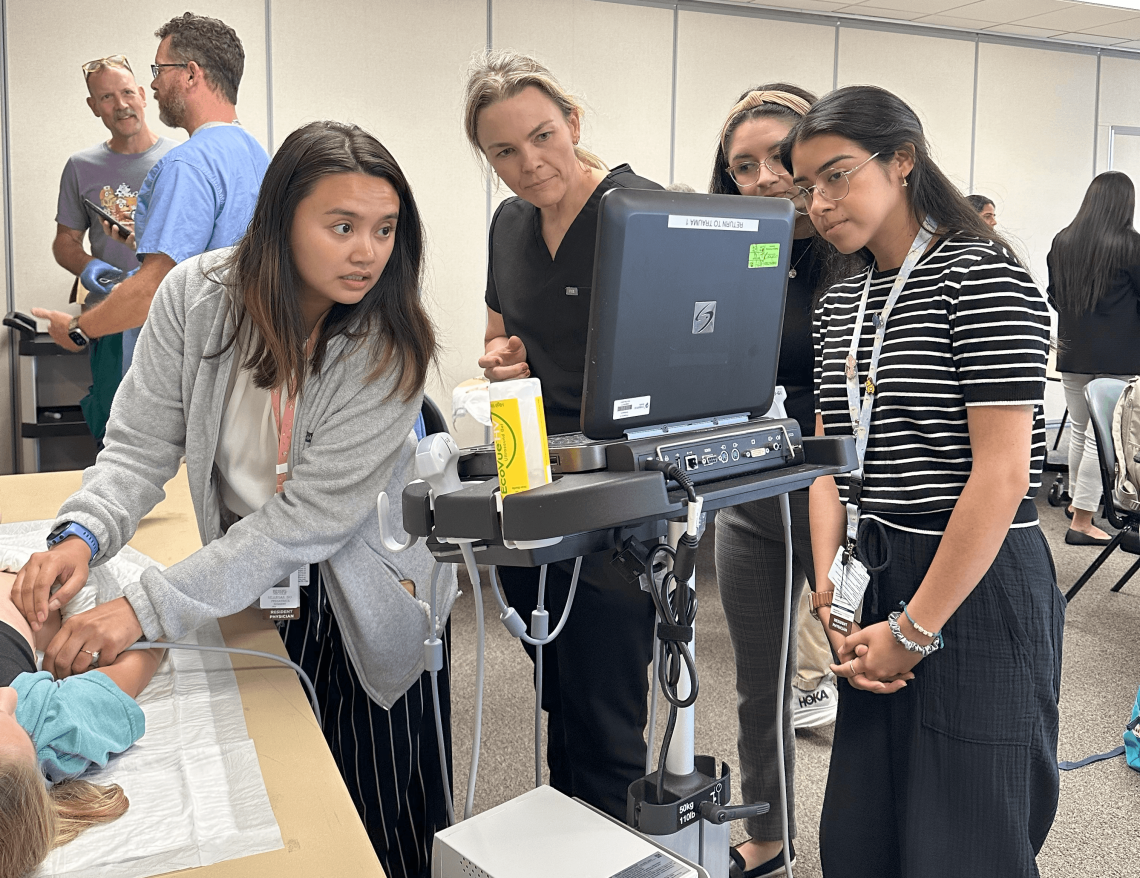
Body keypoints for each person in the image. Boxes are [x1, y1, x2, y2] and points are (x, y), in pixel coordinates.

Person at [11, 121, 451, 878]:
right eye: (342, 226)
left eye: (384, 229)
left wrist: (143, 609)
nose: (367, 252)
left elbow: (305, 522)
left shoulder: (388, 344)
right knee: (284, 791)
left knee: (370, 817)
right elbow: (140, 445)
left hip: (355, 590)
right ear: (281, 220)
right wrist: (80, 535)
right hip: (243, 573)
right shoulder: (196, 296)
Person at [783, 85, 1062, 876]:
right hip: (872, 569)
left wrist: (914, 631)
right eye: (806, 187)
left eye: (837, 175)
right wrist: (829, 596)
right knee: (866, 837)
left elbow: (1003, 474)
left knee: (968, 839)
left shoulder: (981, 276)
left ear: (901, 160)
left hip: (974, 575)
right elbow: (830, 463)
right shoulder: (840, 304)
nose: (820, 203)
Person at [463, 50, 659, 819]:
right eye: (504, 152)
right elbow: (500, 333)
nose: (529, 163)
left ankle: (614, 843)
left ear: (573, 123)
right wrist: (500, 358)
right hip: (532, 477)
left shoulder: (636, 213)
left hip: (617, 492)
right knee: (558, 691)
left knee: (606, 711)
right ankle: (571, 834)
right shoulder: (509, 224)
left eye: (542, 136)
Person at [707, 83, 862, 878]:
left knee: (863, 675)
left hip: (847, 498)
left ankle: (873, 845)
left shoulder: (862, 256)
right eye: (744, 166)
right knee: (758, 685)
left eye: (780, 156)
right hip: (750, 495)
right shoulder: (730, 256)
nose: (766, 177)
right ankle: (768, 838)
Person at [35, 13, 268, 371]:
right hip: (242, 354)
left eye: (159, 69)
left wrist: (79, 329)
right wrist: (140, 244)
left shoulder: (185, 165)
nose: (155, 83)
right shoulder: (256, 154)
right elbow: (219, 254)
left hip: (194, 363)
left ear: (191, 74)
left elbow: (152, 289)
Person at [47, 55, 177, 443]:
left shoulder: (179, 161)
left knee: (174, 427)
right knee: (114, 423)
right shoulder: (81, 166)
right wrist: (87, 266)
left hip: (168, 318)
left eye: (126, 93)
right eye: (106, 97)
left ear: (143, 95)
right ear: (94, 106)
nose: (120, 105)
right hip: (110, 318)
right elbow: (65, 242)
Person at [1, 567, 163, 878]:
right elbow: (149, 646)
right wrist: (149, 614)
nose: (7, 696)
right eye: (10, 715)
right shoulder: (53, 724)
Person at [1046, 171, 1140, 545]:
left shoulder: (1063, 241)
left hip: (1074, 352)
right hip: (1119, 357)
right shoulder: (1131, 245)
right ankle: (1082, 521)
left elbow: (1054, 295)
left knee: (1081, 430)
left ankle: (1076, 502)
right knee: (1103, 440)